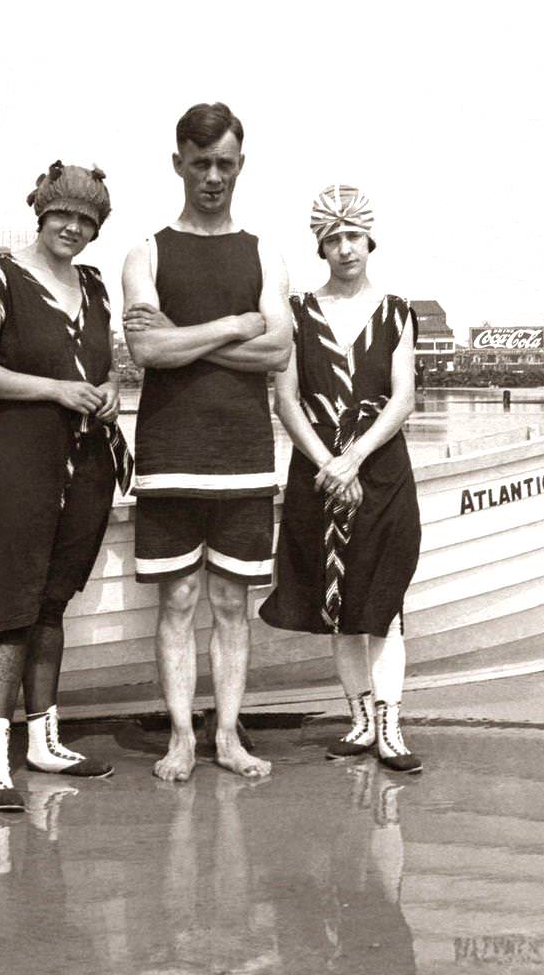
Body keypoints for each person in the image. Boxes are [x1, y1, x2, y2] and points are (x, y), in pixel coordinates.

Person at [0, 161, 131, 810]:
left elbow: (105, 369)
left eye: (87, 220)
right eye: (64, 215)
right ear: (42, 213)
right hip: (15, 456)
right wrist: (55, 389)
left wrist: (108, 392)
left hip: (84, 462)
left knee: (51, 603)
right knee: (8, 607)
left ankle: (45, 743)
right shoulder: (1, 276)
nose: (73, 228)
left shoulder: (95, 287)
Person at [122, 102, 291, 781]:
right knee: (178, 600)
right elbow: (145, 350)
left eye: (224, 164)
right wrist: (233, 325)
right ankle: (181, 740)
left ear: (240, 165)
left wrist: (183, 338)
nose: (212, 177)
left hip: (244, 459)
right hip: (169, 458)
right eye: (200, 164)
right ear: (178, 165)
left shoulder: (264, 253)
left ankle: (227, 738)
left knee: (230, 603)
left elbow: (278, 351)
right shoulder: (147, 252)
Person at [258, 186, 423, 773]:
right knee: (340, 604)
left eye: (354, 236)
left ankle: (391, 727)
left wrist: (352, 459)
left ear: (370, 241)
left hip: (382, 474)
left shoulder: (397, 311)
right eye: (333, 239)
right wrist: (329, 464)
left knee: (384, 603)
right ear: (321, 247)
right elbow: (286, 401)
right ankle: (359, 721)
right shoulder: (298, 314)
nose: (345, 248)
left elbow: (403, 400)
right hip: (317, 472)